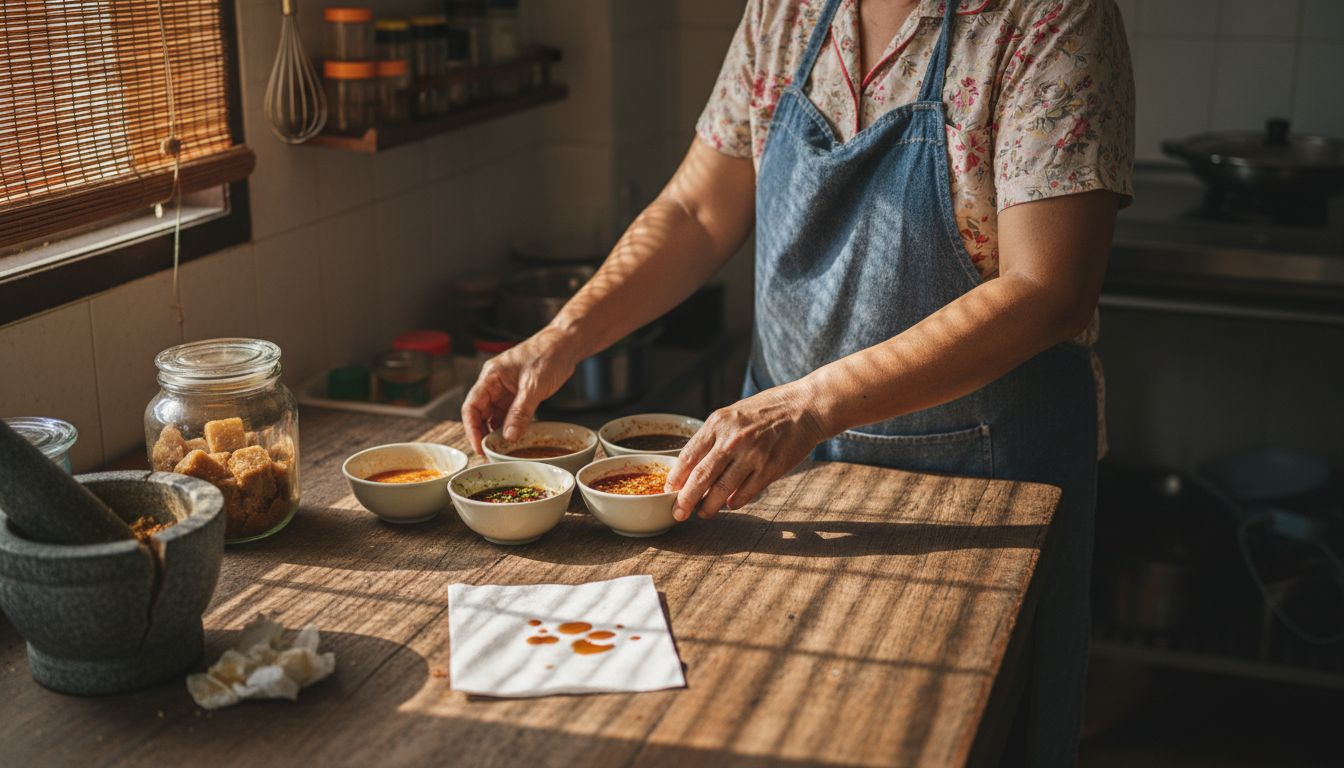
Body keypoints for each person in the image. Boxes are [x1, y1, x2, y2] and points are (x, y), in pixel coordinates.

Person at [463, 0, 1133, 762]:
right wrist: (561, 337)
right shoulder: (785, 10)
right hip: (785, 476)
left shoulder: (1048, 17)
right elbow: (694, 209)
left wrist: (812, 403)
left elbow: (1048, 288)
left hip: (977, 490)